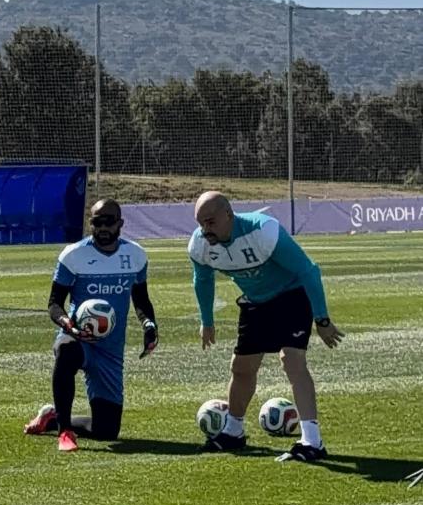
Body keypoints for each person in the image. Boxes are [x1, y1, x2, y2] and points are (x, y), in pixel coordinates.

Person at [188, 190, 343, 463]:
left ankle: (312, 441)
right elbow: (202, 280)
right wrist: (207, 321)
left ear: (228, 214)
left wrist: (323, 320)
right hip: (255, 302)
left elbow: (308, 270)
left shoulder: (263, 231)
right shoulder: (200, 244)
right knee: (241, 367)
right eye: (200, 223)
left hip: (292, 295)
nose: (205, 229)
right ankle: (233, 431)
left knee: (292, 361)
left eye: (210, 222)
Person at [24, 197, 158, 452]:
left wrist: (149, 325)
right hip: (78, 338)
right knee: (65, 350)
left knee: (107, 430)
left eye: (109, 222)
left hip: (110, 350)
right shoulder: (73, 255)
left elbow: (141, 299)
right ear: (91, 223)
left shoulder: (136, 255)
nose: (103, 228)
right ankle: (65, 432)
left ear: (121, 223)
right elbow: (54, 303)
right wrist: (67, 325)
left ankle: (53, 419)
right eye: (97, 222)